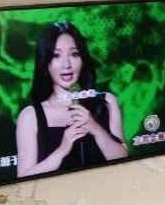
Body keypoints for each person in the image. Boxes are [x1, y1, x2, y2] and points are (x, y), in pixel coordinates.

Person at [16, 21, 127, 178]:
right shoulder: (30, 116)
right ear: (45, 62)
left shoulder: (107, 102)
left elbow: (123, 159)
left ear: (83, 58)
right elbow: (24, 177)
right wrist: (62, 150)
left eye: (74, 54)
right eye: (56, 55)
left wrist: (95, 128)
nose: (66, 64)